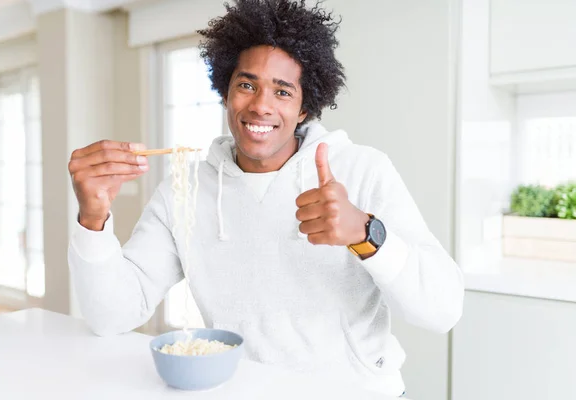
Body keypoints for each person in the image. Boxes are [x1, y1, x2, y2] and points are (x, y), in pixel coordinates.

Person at [67, 0, 464, 396]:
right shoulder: (183, 191)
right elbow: (112, 315)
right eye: (246, 84)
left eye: (282, 91)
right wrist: (93, 219)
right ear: (225, 91)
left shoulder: (363, 171)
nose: (260, 105)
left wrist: (365, 232)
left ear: (305, 107)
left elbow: (443, 309)